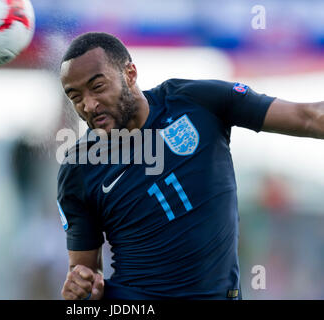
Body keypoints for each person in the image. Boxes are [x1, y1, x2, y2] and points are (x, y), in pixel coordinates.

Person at [57, 32, 324, 300]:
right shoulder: (79, 167)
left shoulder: (197, 103)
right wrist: (81, 290)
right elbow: (86, 277)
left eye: (98, 87)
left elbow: (309, 117)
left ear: (130, 74)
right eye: (75, 96)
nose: (89, 105)